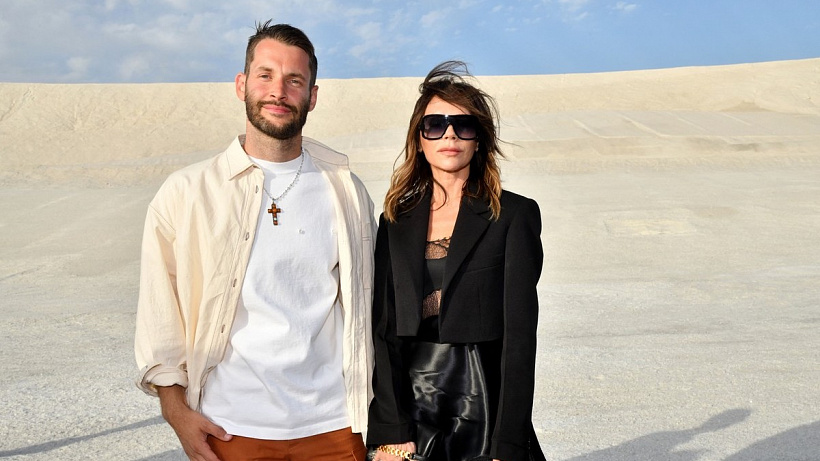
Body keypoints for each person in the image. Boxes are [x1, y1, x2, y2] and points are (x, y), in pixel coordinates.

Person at [134, 21, 375, 461]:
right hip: (230, 430)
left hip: (335, 427)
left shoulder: (346, 192)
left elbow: (371, 305)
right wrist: (175, 410)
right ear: (241, 84)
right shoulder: (186, 192)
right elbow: (159, 312)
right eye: (265, 75)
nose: (278, 91)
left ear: (312, 96)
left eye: (294, 80)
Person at [366, 61, 546, 461]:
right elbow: (385, 331)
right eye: (435, 125)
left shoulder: (513, 215)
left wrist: (508, 442)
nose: (449, 135)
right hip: (412, 409)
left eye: (464, 125)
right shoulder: (395, 221)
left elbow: (520, 339)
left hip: (483, 407)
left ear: (479, 140)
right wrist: (391, 429)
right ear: (419, 139)